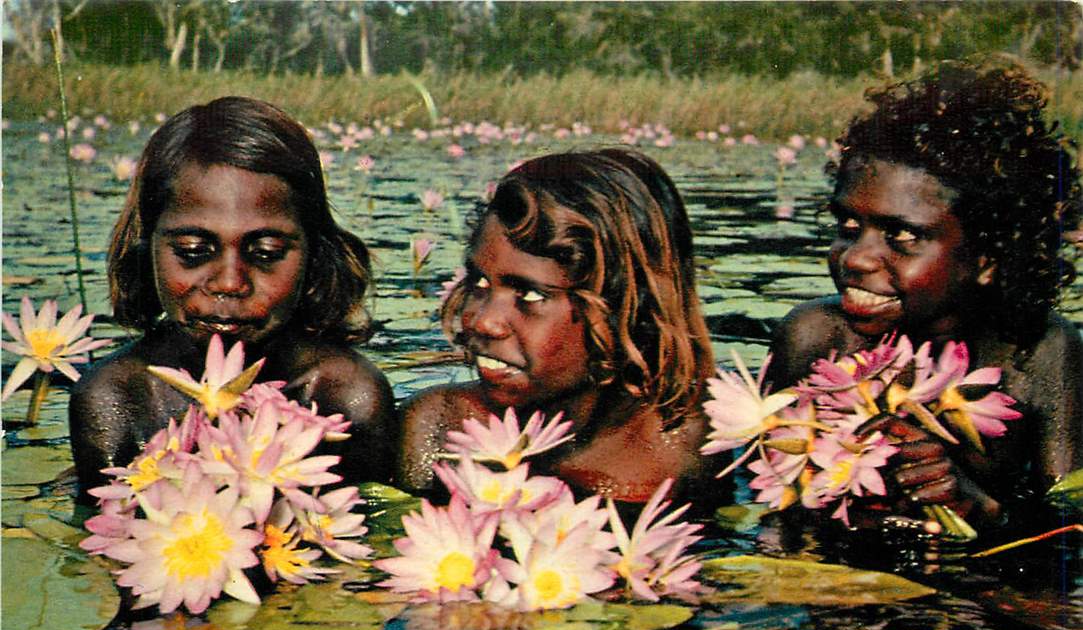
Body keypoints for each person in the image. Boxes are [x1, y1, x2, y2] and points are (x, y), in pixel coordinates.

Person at [766, 58, 1082, 531]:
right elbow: (776, 509)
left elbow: (1071, 528)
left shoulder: (1040, 353)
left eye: (903, 237)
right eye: (849, 227)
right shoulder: (812, 337)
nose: (855, 258)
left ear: (987, 260)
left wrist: (981, 507)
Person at [70, 96, 396, 500]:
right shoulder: (116, 397)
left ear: (315, 254)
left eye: (266, 253)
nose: (229, 283)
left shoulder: (346, 395)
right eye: (192, 251)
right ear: (146, 246)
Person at [397, 149, 720, 504]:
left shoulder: (672, 451)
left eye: (531, 295)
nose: (484, 321)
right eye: (480, 284)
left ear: (625, 308)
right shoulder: (441, 424)